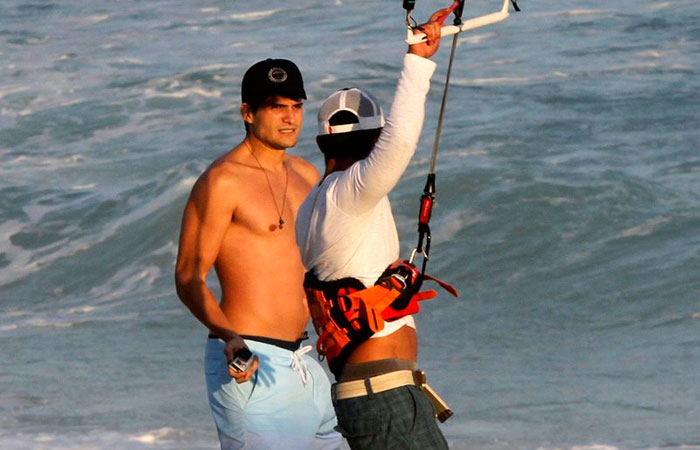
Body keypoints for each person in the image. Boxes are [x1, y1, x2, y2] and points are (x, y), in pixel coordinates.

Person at [295, 10, 452, 450]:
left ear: (322, 141)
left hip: (375, 395)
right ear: (372, 143)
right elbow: (400, 142)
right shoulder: (350, 191)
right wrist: (417, 61)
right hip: (382, 398)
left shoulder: (315, 203)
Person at [175, 58, 342, 450]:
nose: (290, 118)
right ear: (248, 113)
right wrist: (230, 338)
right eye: (276, 106)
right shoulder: (223, 181)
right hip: (249, 360)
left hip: (307, 361)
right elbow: (188, 276)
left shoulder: (306, 175)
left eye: (296, 106)